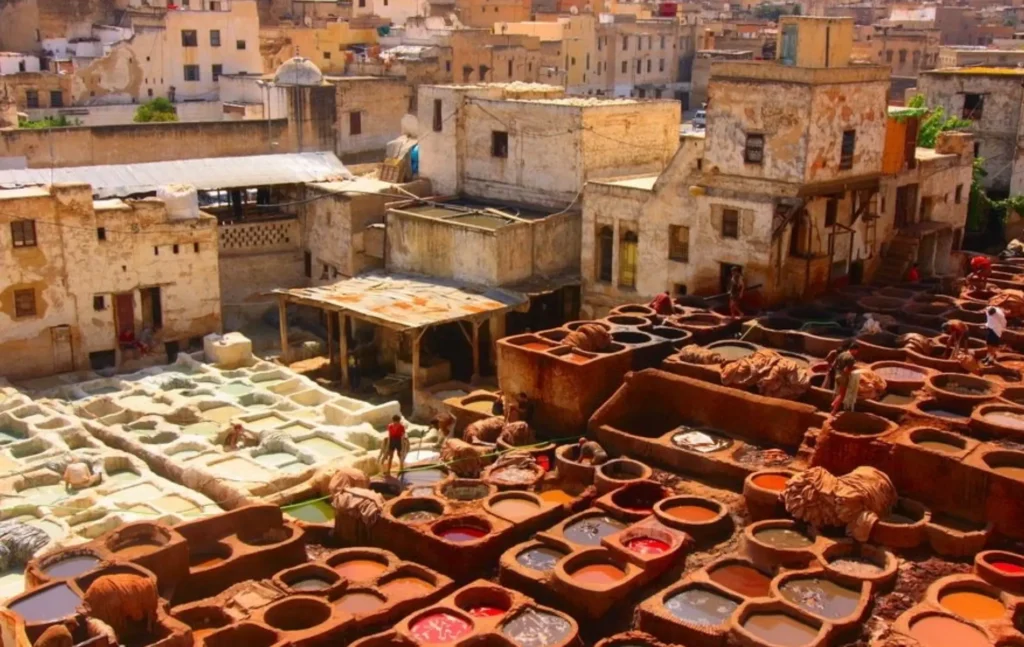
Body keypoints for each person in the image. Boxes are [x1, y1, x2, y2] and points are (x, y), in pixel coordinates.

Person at [831, 350, 860, 416]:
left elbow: (834, 364)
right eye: (856, 351)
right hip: (843, 378)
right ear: (854, 349)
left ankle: (834, 403)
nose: (857, 352)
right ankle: (834, 411)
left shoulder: (841, 354)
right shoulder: (851, 358)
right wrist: (851, 374)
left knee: (838, 393)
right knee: (842, 395)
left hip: (837, 375)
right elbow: (846, 370)